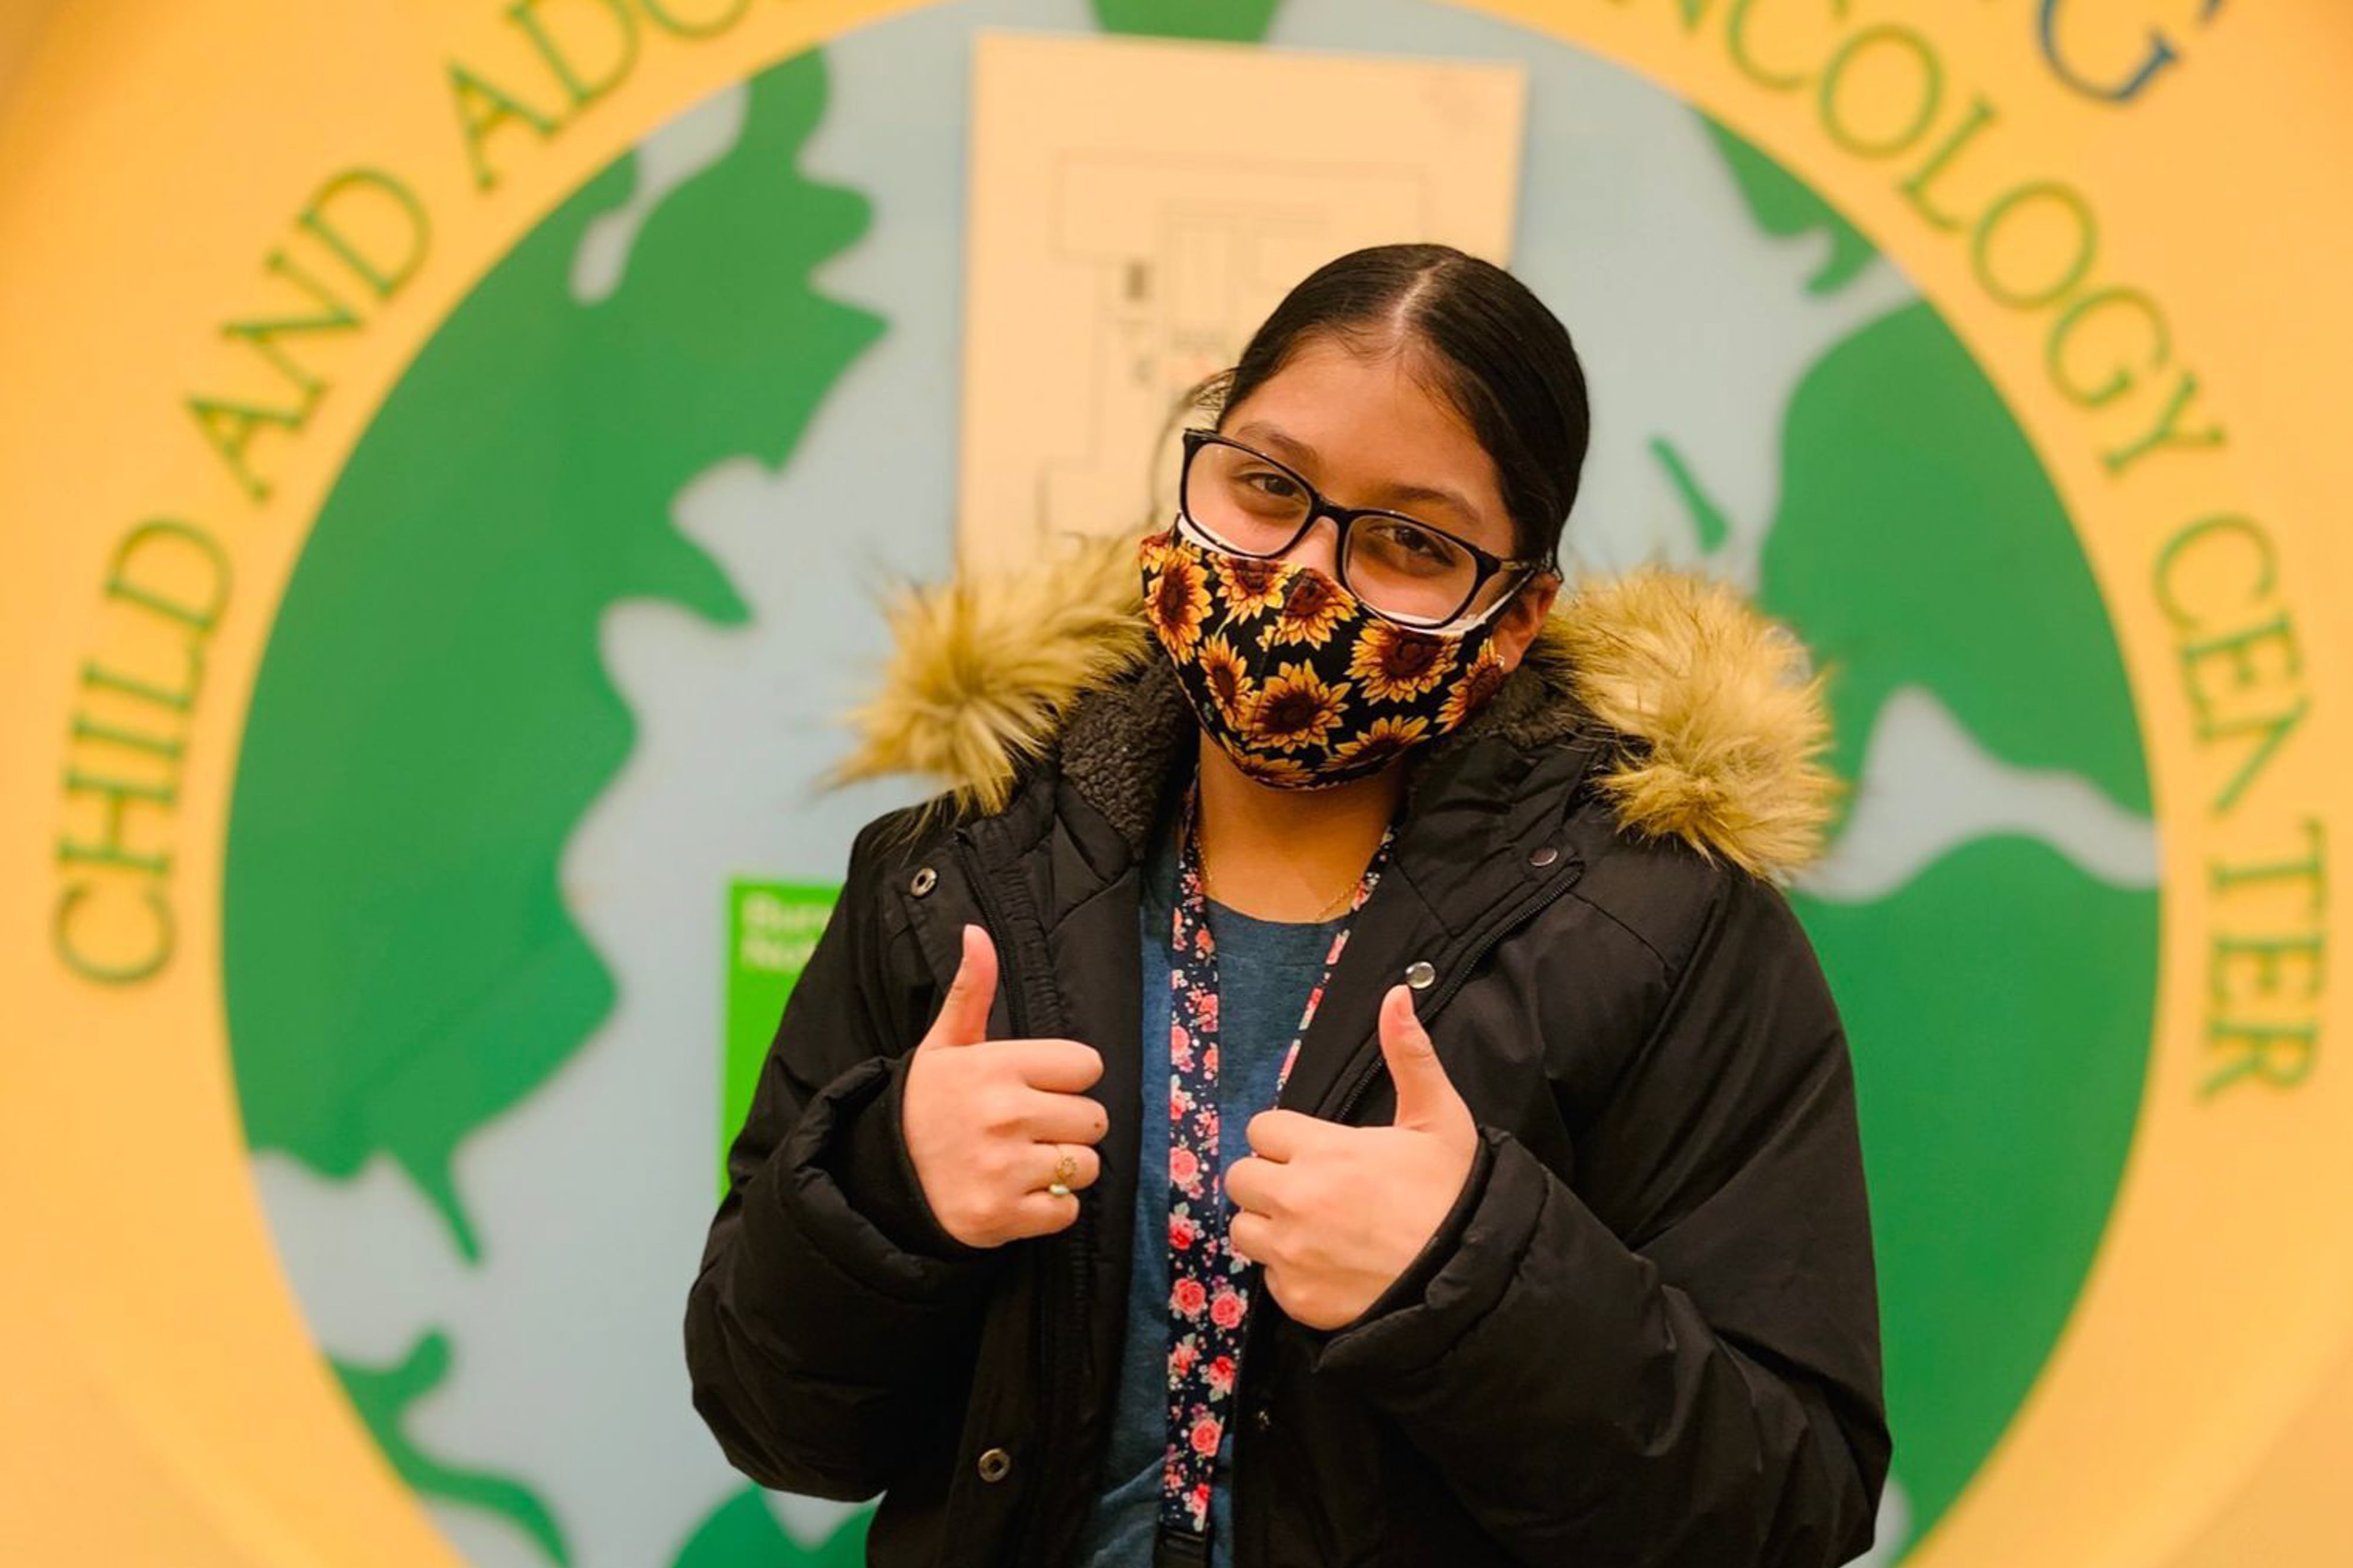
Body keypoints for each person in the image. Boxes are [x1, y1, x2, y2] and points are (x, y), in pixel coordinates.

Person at [682, 242, 1888, 1567]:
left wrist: (1470, 1279)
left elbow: (1788, 1509)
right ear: (1193, 474)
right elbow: (771, 1417)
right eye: (1266, 485)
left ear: (1513, 613)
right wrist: (885, 1190)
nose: (1306, 575)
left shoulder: (1667, 934)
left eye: (1409, 541)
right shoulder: (958, 866)